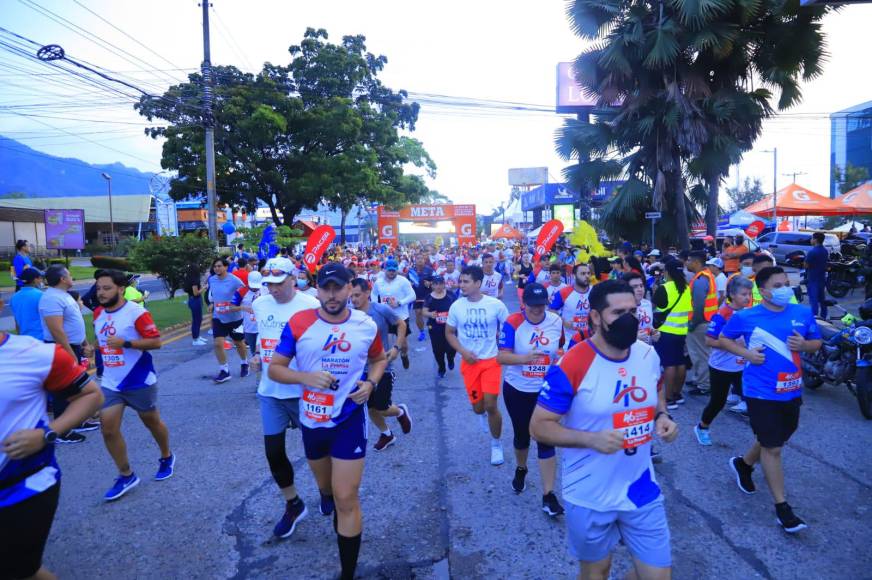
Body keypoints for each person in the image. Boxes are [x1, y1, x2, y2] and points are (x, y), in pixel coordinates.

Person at [530, 279, 679, 579]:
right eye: (618, 312)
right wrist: (591, 439)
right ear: (596, 317)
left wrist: (662, 415)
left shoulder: (648, 355)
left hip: (641, 489)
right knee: (597, 571)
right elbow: (539, 427)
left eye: (633, 311)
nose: (629, 319)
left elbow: (657, 390)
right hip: (590, 494)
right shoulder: (572, 363)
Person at [268, 263, 387, 580]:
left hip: (348, 419)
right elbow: (275, 369)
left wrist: (371, 383)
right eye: (326, 288)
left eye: (339, 287)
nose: (332, 295)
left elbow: (378, 359)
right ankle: (325, 495)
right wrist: (307, 377)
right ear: (317, 290)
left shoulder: (365, 324)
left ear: (351, 288)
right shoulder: (300, 322)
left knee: (346, 498)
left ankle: (347, 573)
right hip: (313, 421)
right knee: (329, 492)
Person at [719, 267, 822, 533]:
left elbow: (816, 342)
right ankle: (783, 509)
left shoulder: (801, 312)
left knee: (777, 437)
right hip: (759, 391)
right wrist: (747, 354)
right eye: (778, 285)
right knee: (773, 448)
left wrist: (805, 346)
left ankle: (743, 464)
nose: (785, 288)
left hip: (791, 389)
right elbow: (722, 339)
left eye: (786, 283)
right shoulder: (745, 316)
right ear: (763, 291)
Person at [0, 329, 103, 580]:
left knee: (19, 571)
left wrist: (47, 433)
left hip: (22, 487)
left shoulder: (37, 354)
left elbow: (92, 396)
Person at [249, 257, 320, 538]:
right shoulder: (259, 303)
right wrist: (256, 354)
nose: (273, 289)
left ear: (294, 278)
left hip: (305, 391)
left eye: (279, 283)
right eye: (269, 284)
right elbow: (262, 336)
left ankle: (328, 493)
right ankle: (293, 503)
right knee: (273, 452)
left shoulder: (311, 305)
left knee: (318, 452)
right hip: (271, 391)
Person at [92, 270, 174, 501]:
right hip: (111, 381)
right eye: (99, 288)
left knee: (151, 422)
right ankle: (126, 474)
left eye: (106, 288)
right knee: (108, 429)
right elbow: (104, 341)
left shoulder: (137, 312)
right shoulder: (98, 312)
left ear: (120, 289)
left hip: (138, 379)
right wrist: (94, 349)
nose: (101, 292)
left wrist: (126, 342)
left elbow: (156, 342)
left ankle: (166, 456)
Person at [497, 283, 564, 516]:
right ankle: (521, 468)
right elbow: (501, 358)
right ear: (524, 303)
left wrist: (560, 363)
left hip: (546, 391)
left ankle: (548, 495)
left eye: (541, 305)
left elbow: (562, 349)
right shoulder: (513, 322)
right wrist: (525, 358)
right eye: (533, 306)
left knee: (546, 439)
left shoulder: (555, 322)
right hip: (518, 389)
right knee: (522, 435)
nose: (537, 310)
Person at [445, 265, 509, 466]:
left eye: (465, 281)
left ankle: (496, 444)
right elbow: (449, 333)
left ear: (478, 283)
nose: (461, 284)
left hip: (491, 361)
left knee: (491, 405)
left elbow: (509, 328)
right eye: (460, 281)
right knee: (478, 407)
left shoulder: (495, 305)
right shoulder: (457, 306)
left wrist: (505, 345)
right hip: (469, 363)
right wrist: (463, 352)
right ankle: (481, 414)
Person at [349, 278, 412, 451]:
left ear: (368, 293)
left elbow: (401, 324)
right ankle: (387, 434)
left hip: (382, 365)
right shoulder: (348, 313)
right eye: (351, 295)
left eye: (357, 295)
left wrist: (397, 348)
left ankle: (399, 411)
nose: (353, 299)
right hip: (360, 370)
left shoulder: (380, 309)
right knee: (369, 406)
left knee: (382, 407)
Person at [39, 265, 96, 443]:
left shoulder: (63, 296)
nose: (72, 277)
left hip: (73, 347)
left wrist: (85, 344)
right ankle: (61, 431)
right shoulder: (51, 299)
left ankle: (75, 421)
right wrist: (70, 354)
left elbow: (74, 323)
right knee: (63, 390)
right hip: (61, 348)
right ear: (63, 279)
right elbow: (56, 330)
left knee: (75, 388)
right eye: (69, 275)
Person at [693, 276, 753, 446]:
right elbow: (709, 341)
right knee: (717, 402)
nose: (748, 298)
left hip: (742, 365)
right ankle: (702, 427)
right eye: (743, 294)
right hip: (721, 367)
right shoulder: (722, 314)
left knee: (751, 397)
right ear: (732, 295)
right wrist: (733, 344)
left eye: (749, 294)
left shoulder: (747, 313)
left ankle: (762, 438)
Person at [652, 259, 691, 409]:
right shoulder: (686, 288)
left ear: (667, 272)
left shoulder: (665, 288)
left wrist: (656, 289)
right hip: (681, 331)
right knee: (680, 362)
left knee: (669, 364)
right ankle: (677, 394)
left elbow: (655, 306)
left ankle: (668, 398)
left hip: (666, 331)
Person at [206, 257, 250, 383]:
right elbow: (213, 294)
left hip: (235, 318)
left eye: (219, 266)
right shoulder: (212, 280)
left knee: (239, 343)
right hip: (218, 316)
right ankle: (224, 371)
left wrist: (237, 304)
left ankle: (244, 363)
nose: (217, 268)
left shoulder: (234, 280)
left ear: (226, 267)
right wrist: (211, 304)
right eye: (215, 266)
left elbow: (244, 292)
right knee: (218, 344)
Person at [371, 258, 416, 369]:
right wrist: (377, 306)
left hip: (400, 316)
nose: (391, 272)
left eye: (394, 270)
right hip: (384, 316)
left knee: (403, 345)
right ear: (385, 270)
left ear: (397, 270)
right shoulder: (379, 282)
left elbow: (413, 296)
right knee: (382, 342)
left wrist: (399, 303)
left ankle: (404, 355)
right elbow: (373, 294)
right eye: (389, 270)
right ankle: (383, 363)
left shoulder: (403, 281)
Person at [686, 251, 717, 396]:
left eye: (689, 260)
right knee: (699, 354)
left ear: (696, 262)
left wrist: (693, 323)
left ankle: (704, 385)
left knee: (701, 355)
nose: (687, 263)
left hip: (700, 322)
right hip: (705, 321)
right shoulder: (705, 276)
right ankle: (700, 379)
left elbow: (699, 304)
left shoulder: (700, 280)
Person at [422, 275, 457, 377]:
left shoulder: (451, 295)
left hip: (450, 326)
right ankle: (441, 367)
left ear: (444, 284)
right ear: (432, 285)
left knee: (451, 347)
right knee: (438, 350)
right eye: (436, 284)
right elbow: (424, 311)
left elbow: (458, 307)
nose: (438, 286)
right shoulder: (429, 298)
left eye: (441, 284)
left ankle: (450, 359)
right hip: (435, 327)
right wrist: (430, 314)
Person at [550, 263, 593, 340]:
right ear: (574, 275)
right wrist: (563, 322)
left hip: (590, 338)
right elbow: (551, 310)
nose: (587, 276)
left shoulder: (594, 291)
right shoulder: (563, 292)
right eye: (583, 273)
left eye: (588, 273)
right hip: (569, 338)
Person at [237, 271, 264, 361]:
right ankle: (257, 369)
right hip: (249, 327)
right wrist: (244, 308)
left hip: (263, 326)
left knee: (264, 352)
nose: (255, 288)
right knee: (254, 352)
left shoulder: (266, 289)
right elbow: (231, 307)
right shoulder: (241, 291)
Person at [10, 268, 44, 340]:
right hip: (41, 338)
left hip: (24, 338)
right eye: (40, 278)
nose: (41, 281)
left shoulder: (14, 297)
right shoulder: (41, 295)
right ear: (35, 280)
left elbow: (17, 322)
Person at [408, 253, 435, 342]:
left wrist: (430, 283)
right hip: (416, 297)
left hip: (429, 296)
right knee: (418, 313)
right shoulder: (411, 271)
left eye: (422, 258)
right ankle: (422, 332)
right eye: (418, 258)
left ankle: (433, 329)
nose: (420, 260)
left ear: (424, 260)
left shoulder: (430, 270)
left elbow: (438, 280)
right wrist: (409, 285)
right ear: (415, 260)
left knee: (430, 315)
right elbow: (405, 283)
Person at [804, 232, 829, 319]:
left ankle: (814, 319)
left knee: (814, 300)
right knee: (822, 300)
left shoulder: (812, 251)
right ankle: (823, 317)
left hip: (813, 279)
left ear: (816, 240)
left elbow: (806, 265)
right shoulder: (825, 250)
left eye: (812, 238)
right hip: (822, 278)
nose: (811, 240)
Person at [184, 261, 207, 346]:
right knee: (197, 320)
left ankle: (197, 335)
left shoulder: (189, 278)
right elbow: (196, 293)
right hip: (195, 299)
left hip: (193, 299)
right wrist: (204, 288)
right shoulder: (194, 280)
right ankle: (195, 339)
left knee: (199, 319)